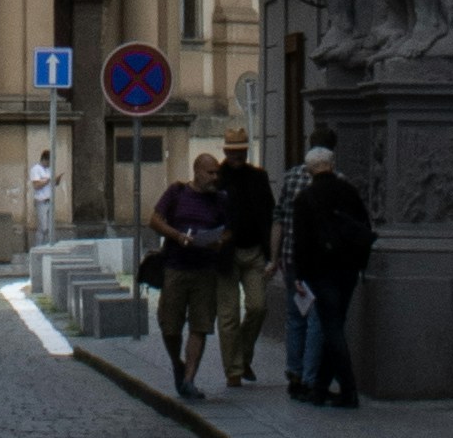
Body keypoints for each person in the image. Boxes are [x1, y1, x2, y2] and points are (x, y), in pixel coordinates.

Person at [285, 140, 373, 406]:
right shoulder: (349, 191)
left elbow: (301, 241)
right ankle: (321, 389)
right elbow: (365, 227)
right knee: (334, 324)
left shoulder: (305, 198)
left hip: (321, 271)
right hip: (349, 268)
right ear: (332, 165)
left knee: (331, 328)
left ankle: (349, 390)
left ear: (309, 170)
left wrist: (299, 275)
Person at [147, 158, 232, 388]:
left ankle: (188, 379)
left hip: (205, 270)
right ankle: (177, 363)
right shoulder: (177, 192)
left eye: (217, 173)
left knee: (200, 326)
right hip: (176, 267)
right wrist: (177, 236)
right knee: (170, 326)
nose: (215, 177)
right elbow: (154, 220)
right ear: (197, 172)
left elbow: (228, 230)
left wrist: (218, 241)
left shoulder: (221, 199)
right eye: (210, 173)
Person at [212, 135, 279, 390]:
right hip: (226, 255)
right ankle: (234, 371)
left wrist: (271, 253)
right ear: (225, 151)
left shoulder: (259, 177)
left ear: (247, 151)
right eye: (233, 150)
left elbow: (270, 213)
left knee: (258, 307)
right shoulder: (217, 178)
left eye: (241, 150)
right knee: (228, 316)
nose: (237, 155)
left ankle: (241, 355)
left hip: (254, 252)